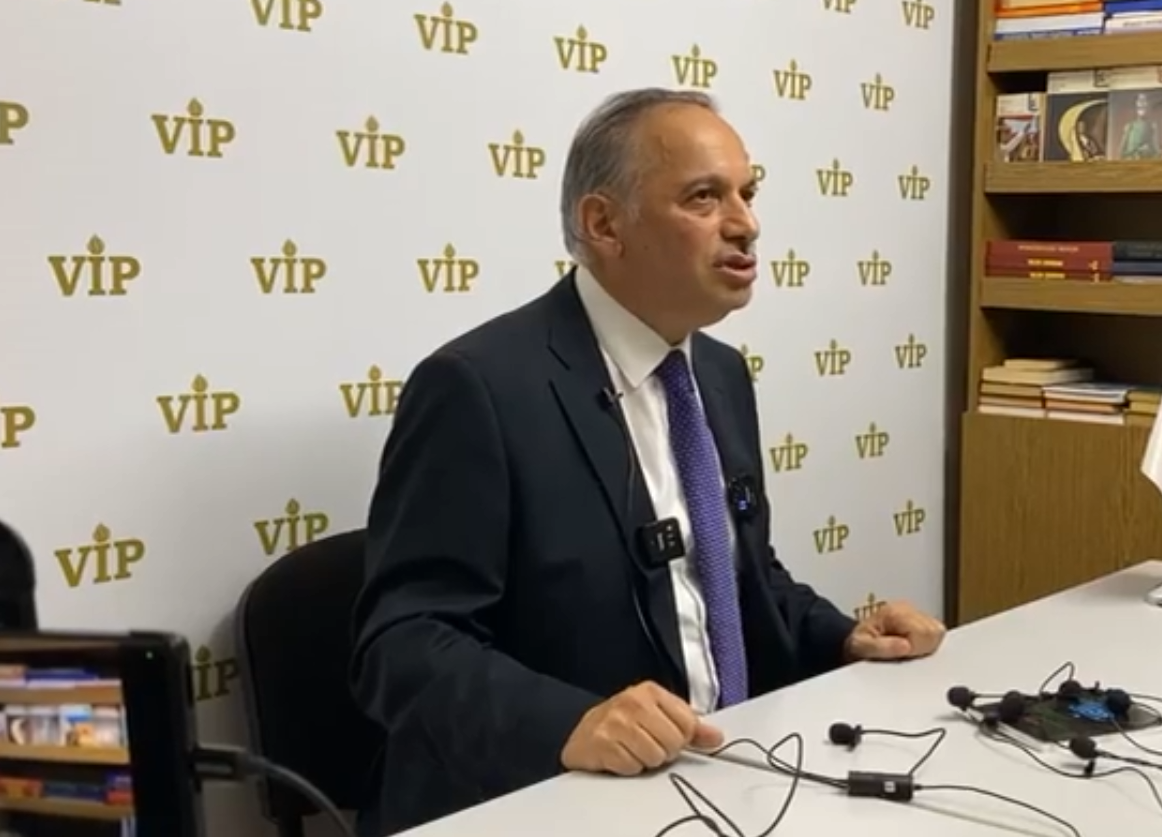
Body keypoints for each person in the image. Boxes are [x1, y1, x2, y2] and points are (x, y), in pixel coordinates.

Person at [349, 89, 947, 835]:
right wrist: (570, 722)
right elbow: (403, 644)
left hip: (721, 777)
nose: (746, 223)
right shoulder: (478, 387)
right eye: (704, 197)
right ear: (604, 224)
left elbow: (739, 575)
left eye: (748, 193)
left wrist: (841, 637)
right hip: (552, 801)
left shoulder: (720, 373)